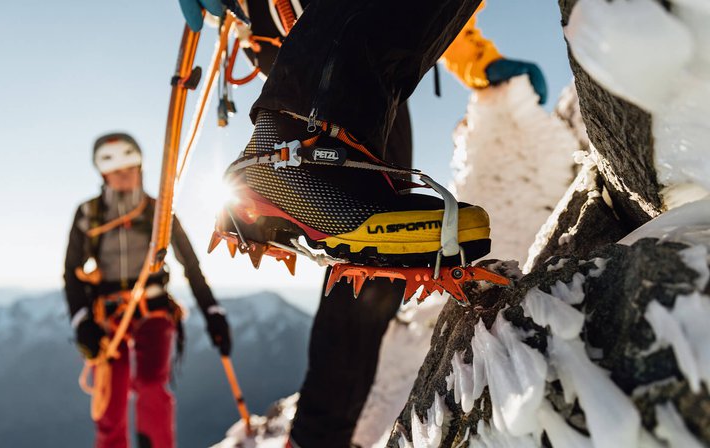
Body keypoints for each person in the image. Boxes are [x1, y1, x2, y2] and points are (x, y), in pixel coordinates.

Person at [180, 1, 546, 446]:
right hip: (308, 62)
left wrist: (479, 60)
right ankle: (288, 160)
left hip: (357, 77)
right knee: (362, 227)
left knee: (378, 256)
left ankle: (318, 437)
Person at [63, 132, 232, 448]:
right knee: (111, 404)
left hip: (152, 310)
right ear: (103, 174)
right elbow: (70, 274)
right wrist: (82, 322)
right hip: (108, 317)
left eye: (128, 168)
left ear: (140, 168)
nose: (123, 176)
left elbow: (190, 265)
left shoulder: (160, 212)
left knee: (152, 384)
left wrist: (212, 311)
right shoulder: (88, 215)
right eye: (115, 170)